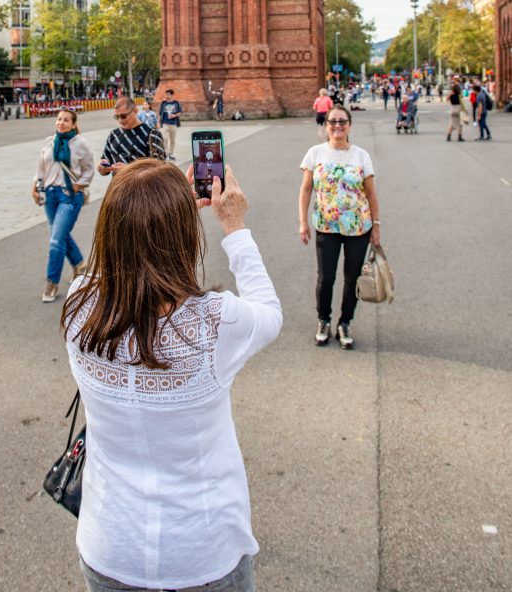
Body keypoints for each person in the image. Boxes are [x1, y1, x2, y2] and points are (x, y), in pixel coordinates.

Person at [61, 158, 282, 592]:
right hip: (202, 551)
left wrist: (151, 205)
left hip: (109, 546)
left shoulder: (78, 305)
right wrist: (233, 226)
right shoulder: (214, 323)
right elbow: (270, 312)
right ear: (184, 236)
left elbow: (121, 261)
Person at [298, 104, 381, 350]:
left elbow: (372, 194)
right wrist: (303, 221)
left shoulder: (361, 156)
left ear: (350, 125)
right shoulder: (315, 153)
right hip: (326, 226)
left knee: (352, 278)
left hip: (358, 228)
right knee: (326, 278)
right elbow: (305, 190)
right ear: (325, 126)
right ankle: (323, 320)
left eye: (342, 121)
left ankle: (345, 323)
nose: (337, 125)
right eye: (332, 121)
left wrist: (376, 225)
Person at [32, 108, 94, 303]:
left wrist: (80, 184)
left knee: (56, 240)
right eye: (59, 119)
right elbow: (41, 168)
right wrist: (34, 187)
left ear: (74, 124)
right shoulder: (49, 142)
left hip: (69, 195)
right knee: (59, 234)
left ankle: (52, 282)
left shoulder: (80, 143)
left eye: (66, 120)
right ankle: (79, 265)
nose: (61, 123)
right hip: (50, 195)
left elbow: (89, 169)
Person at [98, 97, 164, 177]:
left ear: (135, 110)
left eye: (123, 116)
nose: (120, 120)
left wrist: (129, 169)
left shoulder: (152, 134)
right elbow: (105, 159)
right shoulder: (113, 134)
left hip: (142, 188)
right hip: (117, 187)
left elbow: (160, 168)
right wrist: (102, 167)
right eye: (117, 117)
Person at [158, 87, 183, 160]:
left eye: (168, 94)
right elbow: (159, 113)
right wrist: (158, 122)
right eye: (166, 94)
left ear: (172, 95)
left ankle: (171, 153)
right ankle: (165, 154)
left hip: (173, 123)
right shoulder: (163, 103)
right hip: (165, 123)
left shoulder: (176, 103)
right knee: (165, 138)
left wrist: (174, 115)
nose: (166, 96)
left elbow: (180, 113)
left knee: (172, 140)